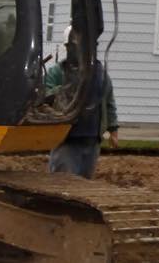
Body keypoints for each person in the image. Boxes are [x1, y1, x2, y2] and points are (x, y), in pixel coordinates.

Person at [45, 28, 119, 179]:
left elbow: (108, 101)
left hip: (91, 141)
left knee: (84, 183)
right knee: (62, 182)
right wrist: (66, 88)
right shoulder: (58, 72)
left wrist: (113, 129)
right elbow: (45, 95)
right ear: (67, 47)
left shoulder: (99, 73)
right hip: (66, 140)